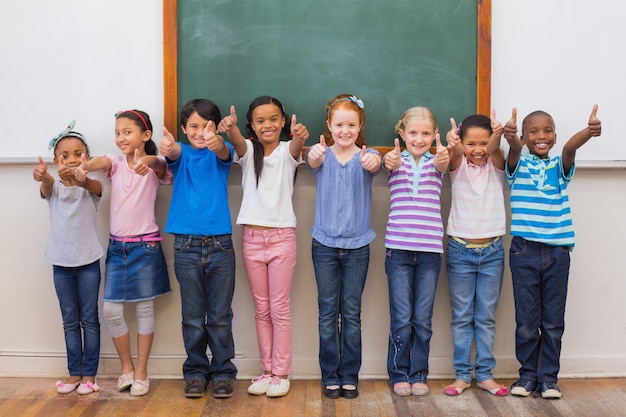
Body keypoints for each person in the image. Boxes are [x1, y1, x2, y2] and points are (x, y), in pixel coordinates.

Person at [503, 105, 601, 399]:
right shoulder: (517, 165)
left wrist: (590, 131)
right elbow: (514, 149)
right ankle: (527, 377)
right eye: (533, 131)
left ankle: (548, 379)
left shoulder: (560, 166)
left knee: (554, 322)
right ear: (524, 136)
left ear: (555, 136)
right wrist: (510, 138)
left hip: (558, 252)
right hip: (524, 251)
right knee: (527, 322)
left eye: (547, 131)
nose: (541, 136)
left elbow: (571, 147)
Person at [75, 109, 173, 397]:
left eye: (127, 132)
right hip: (117, 248)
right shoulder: (115, 164)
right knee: (111, 310)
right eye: (117, 133)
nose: (120, 138)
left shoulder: (156, 166)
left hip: (146, 246)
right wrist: (86, 166)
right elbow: (100, 160)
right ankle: (126, 369)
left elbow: (159, 165)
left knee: (144, 308)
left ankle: (142, 372)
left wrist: (149, 161)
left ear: (145, 135)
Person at [218, 96, 309, 398]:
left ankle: (281, 372)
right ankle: (266, 370)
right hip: (252, 240)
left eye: (273, 119)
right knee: (261, 308)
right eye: (260, 120)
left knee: (278, 309)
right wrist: (229, 129)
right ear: (252, 126)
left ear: (283, 121)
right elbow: (238, 144)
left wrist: (298, 137)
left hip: (282, 238)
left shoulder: (287, 151)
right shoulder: (248, 151)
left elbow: (297, 148)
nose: (267, 125)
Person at [158, 99, 237, 399]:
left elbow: (223, 150)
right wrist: (168, 148)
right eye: (193, 126)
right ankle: (194, 372)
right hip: (185, 245)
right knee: (192, 315)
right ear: (183, 129)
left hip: (220, 244)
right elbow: (174, 152)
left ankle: (223, 372)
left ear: (216, 128)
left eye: (207, 126)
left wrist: (218, 141)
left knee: (219, 315)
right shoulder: (182, 154)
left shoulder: (220, 154)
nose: (200, 132)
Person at [305, 94, 381, 400]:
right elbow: (311, 160)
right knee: (327, 313)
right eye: (339, 125)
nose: (345, 130)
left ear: (360, 125)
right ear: (329, 126)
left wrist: (373, 160)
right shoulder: (321, 155)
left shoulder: (368, 155)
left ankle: (350, 375)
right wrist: (315, 152)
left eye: (351, 124)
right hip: (324, 244)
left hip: (357, 247)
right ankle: (330, 375)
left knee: (351, 314)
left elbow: (375, 165)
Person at [382, 106, 450, 397]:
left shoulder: (439, 162)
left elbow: (446, 164)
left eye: (425, 133)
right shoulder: (395, 161)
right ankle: (398, 373)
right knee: (401, 317)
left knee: (422, 318)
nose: (419, 139)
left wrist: (445, 153)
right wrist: (390, 158)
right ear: (402, 133)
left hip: (430, 252)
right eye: (413, 133)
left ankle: (419, 373)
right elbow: (387, 163)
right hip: (398, 250)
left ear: (434, 135)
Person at [34, 121, 105, 395]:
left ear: (87, 157)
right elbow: (48, 184)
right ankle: (74, 373)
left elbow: (91, 183)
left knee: (89, 319)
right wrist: (44, 176)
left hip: (88, 263)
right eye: (65, 155)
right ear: (55, 160)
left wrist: (80, 177)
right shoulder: (52, 188)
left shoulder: (91, 186)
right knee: (69, 320)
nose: (72, 159)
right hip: (61, 265)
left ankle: (90, 376)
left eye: (79, 153)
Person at [443, 112, 509, 397]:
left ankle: (484, 374)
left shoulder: (496, 165)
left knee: (485, 317)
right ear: (461, 142)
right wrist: (454, 142)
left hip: (492, 251)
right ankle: (461, 375)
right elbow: (457, 151)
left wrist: (496, 135)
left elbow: (494, 149)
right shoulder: (457, 165)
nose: (478, 150)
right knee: (461, 317)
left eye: (484, 143)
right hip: (460, 251)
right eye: (471, 144)